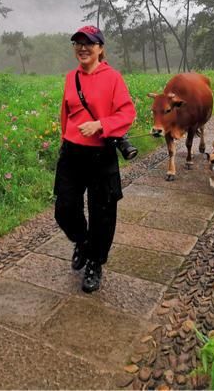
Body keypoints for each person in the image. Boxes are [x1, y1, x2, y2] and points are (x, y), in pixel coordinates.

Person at [54, 25, 136, 293]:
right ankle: (82, 241)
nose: (82, 48)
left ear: (100, 48)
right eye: (77, 43)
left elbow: (127, 113)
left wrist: (101, 124)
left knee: (103, 213)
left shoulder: (113, 78)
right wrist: (63, 139)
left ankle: (94, 263)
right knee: (65, 208)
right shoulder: (70, 78)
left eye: (89, 43)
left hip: (101, 154)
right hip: (72, 153)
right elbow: (65, 112)